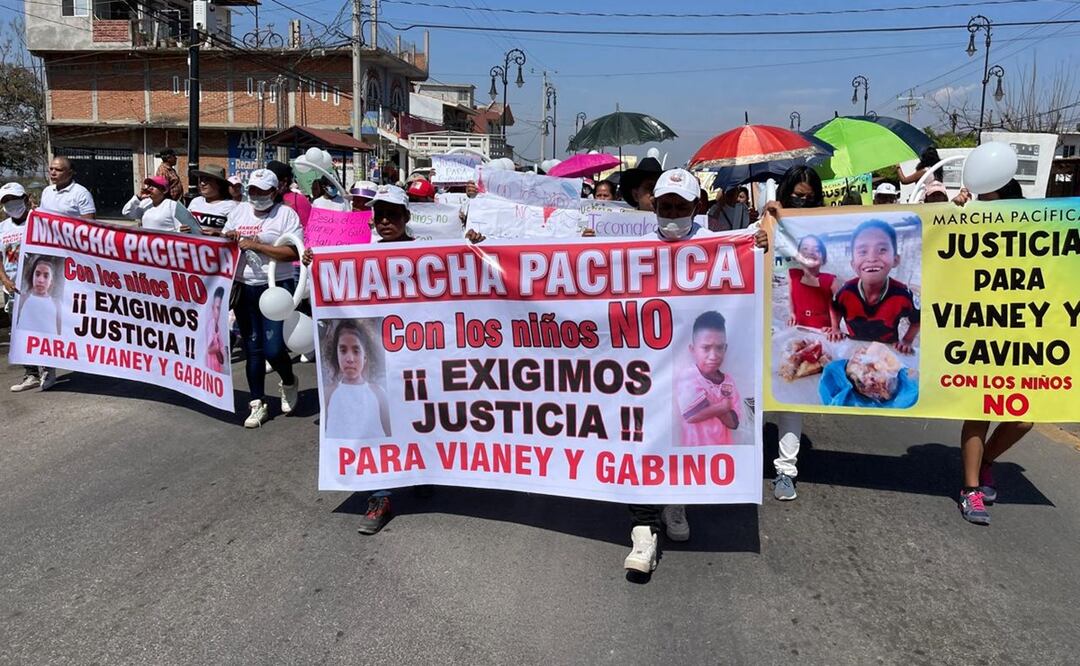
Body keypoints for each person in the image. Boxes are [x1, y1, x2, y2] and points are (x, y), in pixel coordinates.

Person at [623, 167, 769, 575]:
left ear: (696, 207)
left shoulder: (718, 246)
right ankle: (642, 529)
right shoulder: (632, 249)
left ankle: (676, 501)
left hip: (690, 369)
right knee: (643, 439)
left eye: (679, 207)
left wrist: (758, 245)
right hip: (645, 368)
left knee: (679, 437)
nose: (670, 214)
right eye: (664, 206)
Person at [956, 177, 1030, 525]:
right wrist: (954, 211)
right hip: (978, 329)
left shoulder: (1033, 227)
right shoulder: (969, 220)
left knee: (1023, 418)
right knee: (980, 408)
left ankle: (985, 460)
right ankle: (971, 489)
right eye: (982, 201)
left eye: (990, 200)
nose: (985, 207)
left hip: (1022, 335)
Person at [222, 168, 302, 428]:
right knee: (253, 348)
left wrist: (258, 246)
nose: (256, 196)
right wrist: (229, 238)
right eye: (252, 191)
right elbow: (225, 240)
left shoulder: (286, 214)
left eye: (262, 191)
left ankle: (289, 380)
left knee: (274, 347)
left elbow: (292, 253)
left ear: (275, 191)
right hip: (246, 287)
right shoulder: (239, 212)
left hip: (277, 287)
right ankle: (257, 403)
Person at [766, 164, 825, 502]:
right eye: (796, 197)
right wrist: (765, 226)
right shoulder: (768, 224)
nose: (802, 203)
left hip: (801, 334)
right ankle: (739, 466)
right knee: (752, 400)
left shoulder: (826, 234)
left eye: (809, 198)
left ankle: (786, 471)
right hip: (763, 329)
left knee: (790, 403)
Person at [1, 182, 56, 392]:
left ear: (24, 198)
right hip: (13, 288)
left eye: (13, 199)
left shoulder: (39, 221)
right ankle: (30, 373)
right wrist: (5, 280)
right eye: (5, 201)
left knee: (42, 329)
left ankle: (48, 370)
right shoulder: (2, 228)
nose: (10, 205)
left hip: (38, 287)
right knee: (19, 332)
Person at [833, 220, 920, 353]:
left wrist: (907, 340)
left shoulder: (903, 295)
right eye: (863, 251)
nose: (872, 258)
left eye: (882, 250)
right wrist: (835, 328)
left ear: (895, 260)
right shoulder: (845, 291)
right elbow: (835, 308)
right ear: (852, 263)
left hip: (887, 351)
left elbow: (917, 320)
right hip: (855, 349)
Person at [676, 311, 743, 447]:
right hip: (694, 455)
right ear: (693, 349)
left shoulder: (728, 381)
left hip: (722, 454)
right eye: (706, 348)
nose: (713, 355)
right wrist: (723, 406)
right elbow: (691, 415)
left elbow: (733, 423)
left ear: (725, 348)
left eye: (719, 348)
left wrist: (708, 402)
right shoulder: (688, 376)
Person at [322, 320, 391, 440]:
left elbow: (391, 435)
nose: (349, 359)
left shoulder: (378, 393)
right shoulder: (328, 394)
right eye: (343, 350)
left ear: (365, 356)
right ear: (336, 354)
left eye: (356, 350)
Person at [788, 235, 842, 339]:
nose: (810, 252)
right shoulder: (793, 276)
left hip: (822, 332)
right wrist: (792, 314)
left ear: (824, 259)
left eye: (816, 249)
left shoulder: (830, 280)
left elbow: (839, 306)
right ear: (798, 256)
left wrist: (835, 327)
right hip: (799, 329)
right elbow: (791, 296)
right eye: (805, 248)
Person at [16, 256, 62, 336]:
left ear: (51, 281)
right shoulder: (22, 299)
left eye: (46, 276)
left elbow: (60, 333)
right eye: (37, 274)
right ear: (32, 276)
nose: (40, 280)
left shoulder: (57, 304)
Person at [122, 176, 186, 232]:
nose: (150, 188)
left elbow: (182, 229)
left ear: (164, 190)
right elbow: (126, 212)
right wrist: (138, 198)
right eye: (149, 186)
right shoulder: (145, 203)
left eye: (154, 186)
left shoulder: (172, 206)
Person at [267, 161, 311, 227]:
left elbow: (307, 226)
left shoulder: (298, 200)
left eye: (274, 181)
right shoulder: (263, 198)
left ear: (284, 182)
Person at [205, 286, 227, 374]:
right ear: (212, 307)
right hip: (208, 370)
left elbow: (221, 359)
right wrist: (218, 348)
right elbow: (205, 349)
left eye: (221, 308)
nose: (219, 312)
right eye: (217, 308)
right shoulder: (210, 326)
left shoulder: (219, 328)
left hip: (217, 370)